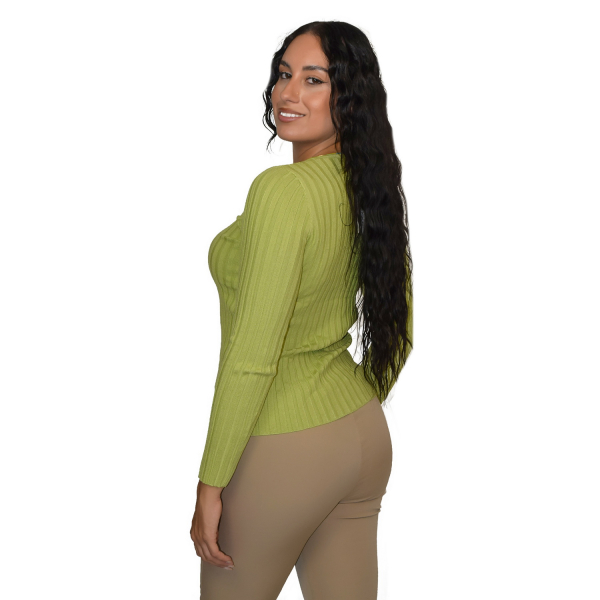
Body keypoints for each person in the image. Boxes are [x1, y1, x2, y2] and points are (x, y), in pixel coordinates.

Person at [190, 21, 413, 599]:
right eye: (284, 74)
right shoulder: (368, 184)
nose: (288, 93)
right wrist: (342, 416)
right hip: (362, 432)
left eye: (314, 80)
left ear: (350, 96)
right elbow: (400, 322)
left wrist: (211, 482)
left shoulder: (282, 192)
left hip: (285, 442)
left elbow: (252, 358)